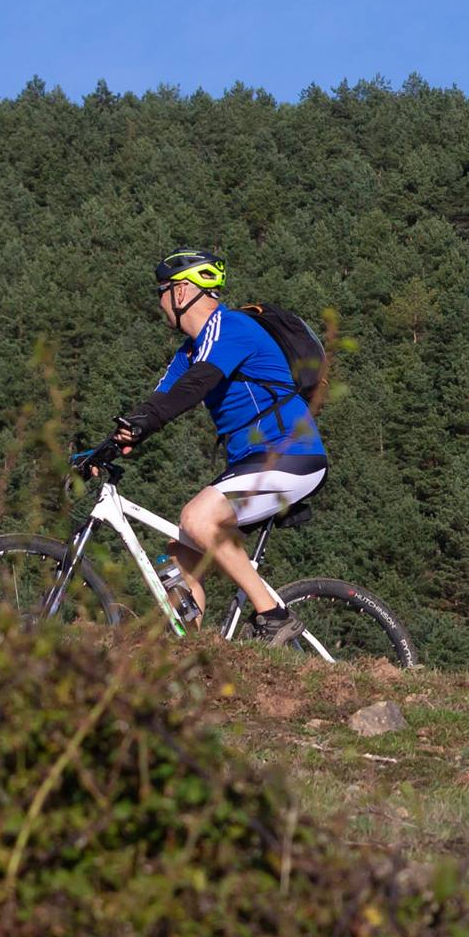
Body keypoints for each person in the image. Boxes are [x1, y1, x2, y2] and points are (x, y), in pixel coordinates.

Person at [107, 247, 328, 646]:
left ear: (180, 292)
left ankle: (274, 616)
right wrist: (109, 446)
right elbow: (161, 400)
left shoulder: (233, 328)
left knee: (197, 518)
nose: (159, 302)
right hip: (250, 463)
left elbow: (196, 386)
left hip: (292, 456)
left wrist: (145, 422)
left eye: (161, 291)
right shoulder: (189, 351)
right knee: (175, 569)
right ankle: (185, 659)